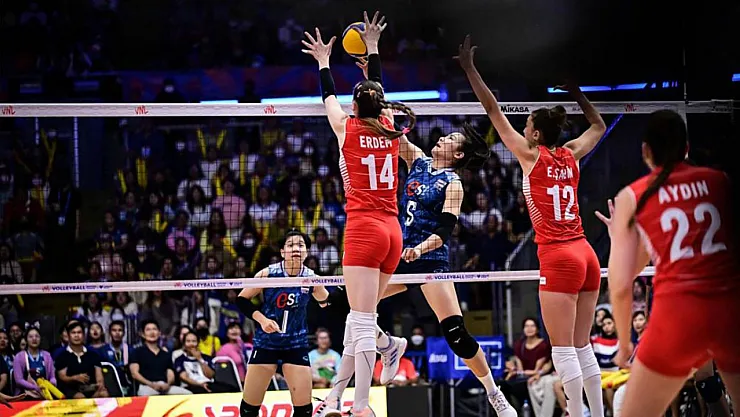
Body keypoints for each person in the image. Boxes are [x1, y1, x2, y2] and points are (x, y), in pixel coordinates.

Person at [322, 47, 515, 416]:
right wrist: (371, 82)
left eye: (451, 140)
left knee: (455, 333)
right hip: (397, 252)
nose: (442, 139)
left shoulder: (453, 183)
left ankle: (495, 393)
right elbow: (384, 124)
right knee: (358, 312)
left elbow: (445, 230)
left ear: (458, 155)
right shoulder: (418, 160)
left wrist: (421, 248)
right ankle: (381, 353)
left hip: (429, 261)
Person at [457, 35, 608, 417]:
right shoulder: (571, 153)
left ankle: (577, 415)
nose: (522, 129)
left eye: (526, 125)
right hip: (587, 254)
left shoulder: (530, 156)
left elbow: (492, 110)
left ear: (536, 134)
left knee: (563, 350)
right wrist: (576, 91)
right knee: (583, 346)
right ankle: (598, 414)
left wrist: (470, 70)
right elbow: (598, 124)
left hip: (559, 257)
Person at [302, 11, 415, 417]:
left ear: (354, 106)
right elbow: (377, 93)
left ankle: (362, 405)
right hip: (392, 230)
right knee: (359, 317)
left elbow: (327, 96)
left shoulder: (346, 128)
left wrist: (323, 61)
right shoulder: (389, 125)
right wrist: (373, 47)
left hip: (364, 229)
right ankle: (340, 391)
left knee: (363, 320)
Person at [597, 109, 740, 417]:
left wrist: (624, 345)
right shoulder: (720, 181)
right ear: (686, 148)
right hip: (730, 310)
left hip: (679, 315)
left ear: (645, 151)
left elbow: (620, 285)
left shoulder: (633, 196)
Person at [235, 229, 329, 417]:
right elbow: (242, 300)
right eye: (291, 245)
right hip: (266, 344)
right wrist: (262, 320)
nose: (296, 249)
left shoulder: (311, 278)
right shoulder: (268, 274)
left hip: (295, 345)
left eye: (301, 245)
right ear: (282, 251)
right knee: (248, 410)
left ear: (306, 252)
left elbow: (326, 302)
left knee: (304, 411)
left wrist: (332, 293)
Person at [129, 320, 192, 396]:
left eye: (154, 329)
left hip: (164, 386)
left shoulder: (165, 354)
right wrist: (151, 384)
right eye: (148, 330)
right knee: (145, 395)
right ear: (143, 334)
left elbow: (170, 373)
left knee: (188, 394)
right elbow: (134, 374)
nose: (152, 332)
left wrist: (168, 384)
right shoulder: (137, 352)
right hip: (146, 386)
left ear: (159, 333)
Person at [54, 322, 108, 399]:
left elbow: (99, 377)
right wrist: (75, 378)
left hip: (90, 388)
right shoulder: (62, 356)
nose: (76, 335)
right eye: (73, 333)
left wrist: (99, 385)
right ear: (68, 336)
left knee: (104, 394)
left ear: (83, 335)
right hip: (71, 389)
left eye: (79, 332)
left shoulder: (93, 354)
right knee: (80, 397)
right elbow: (62, 377)